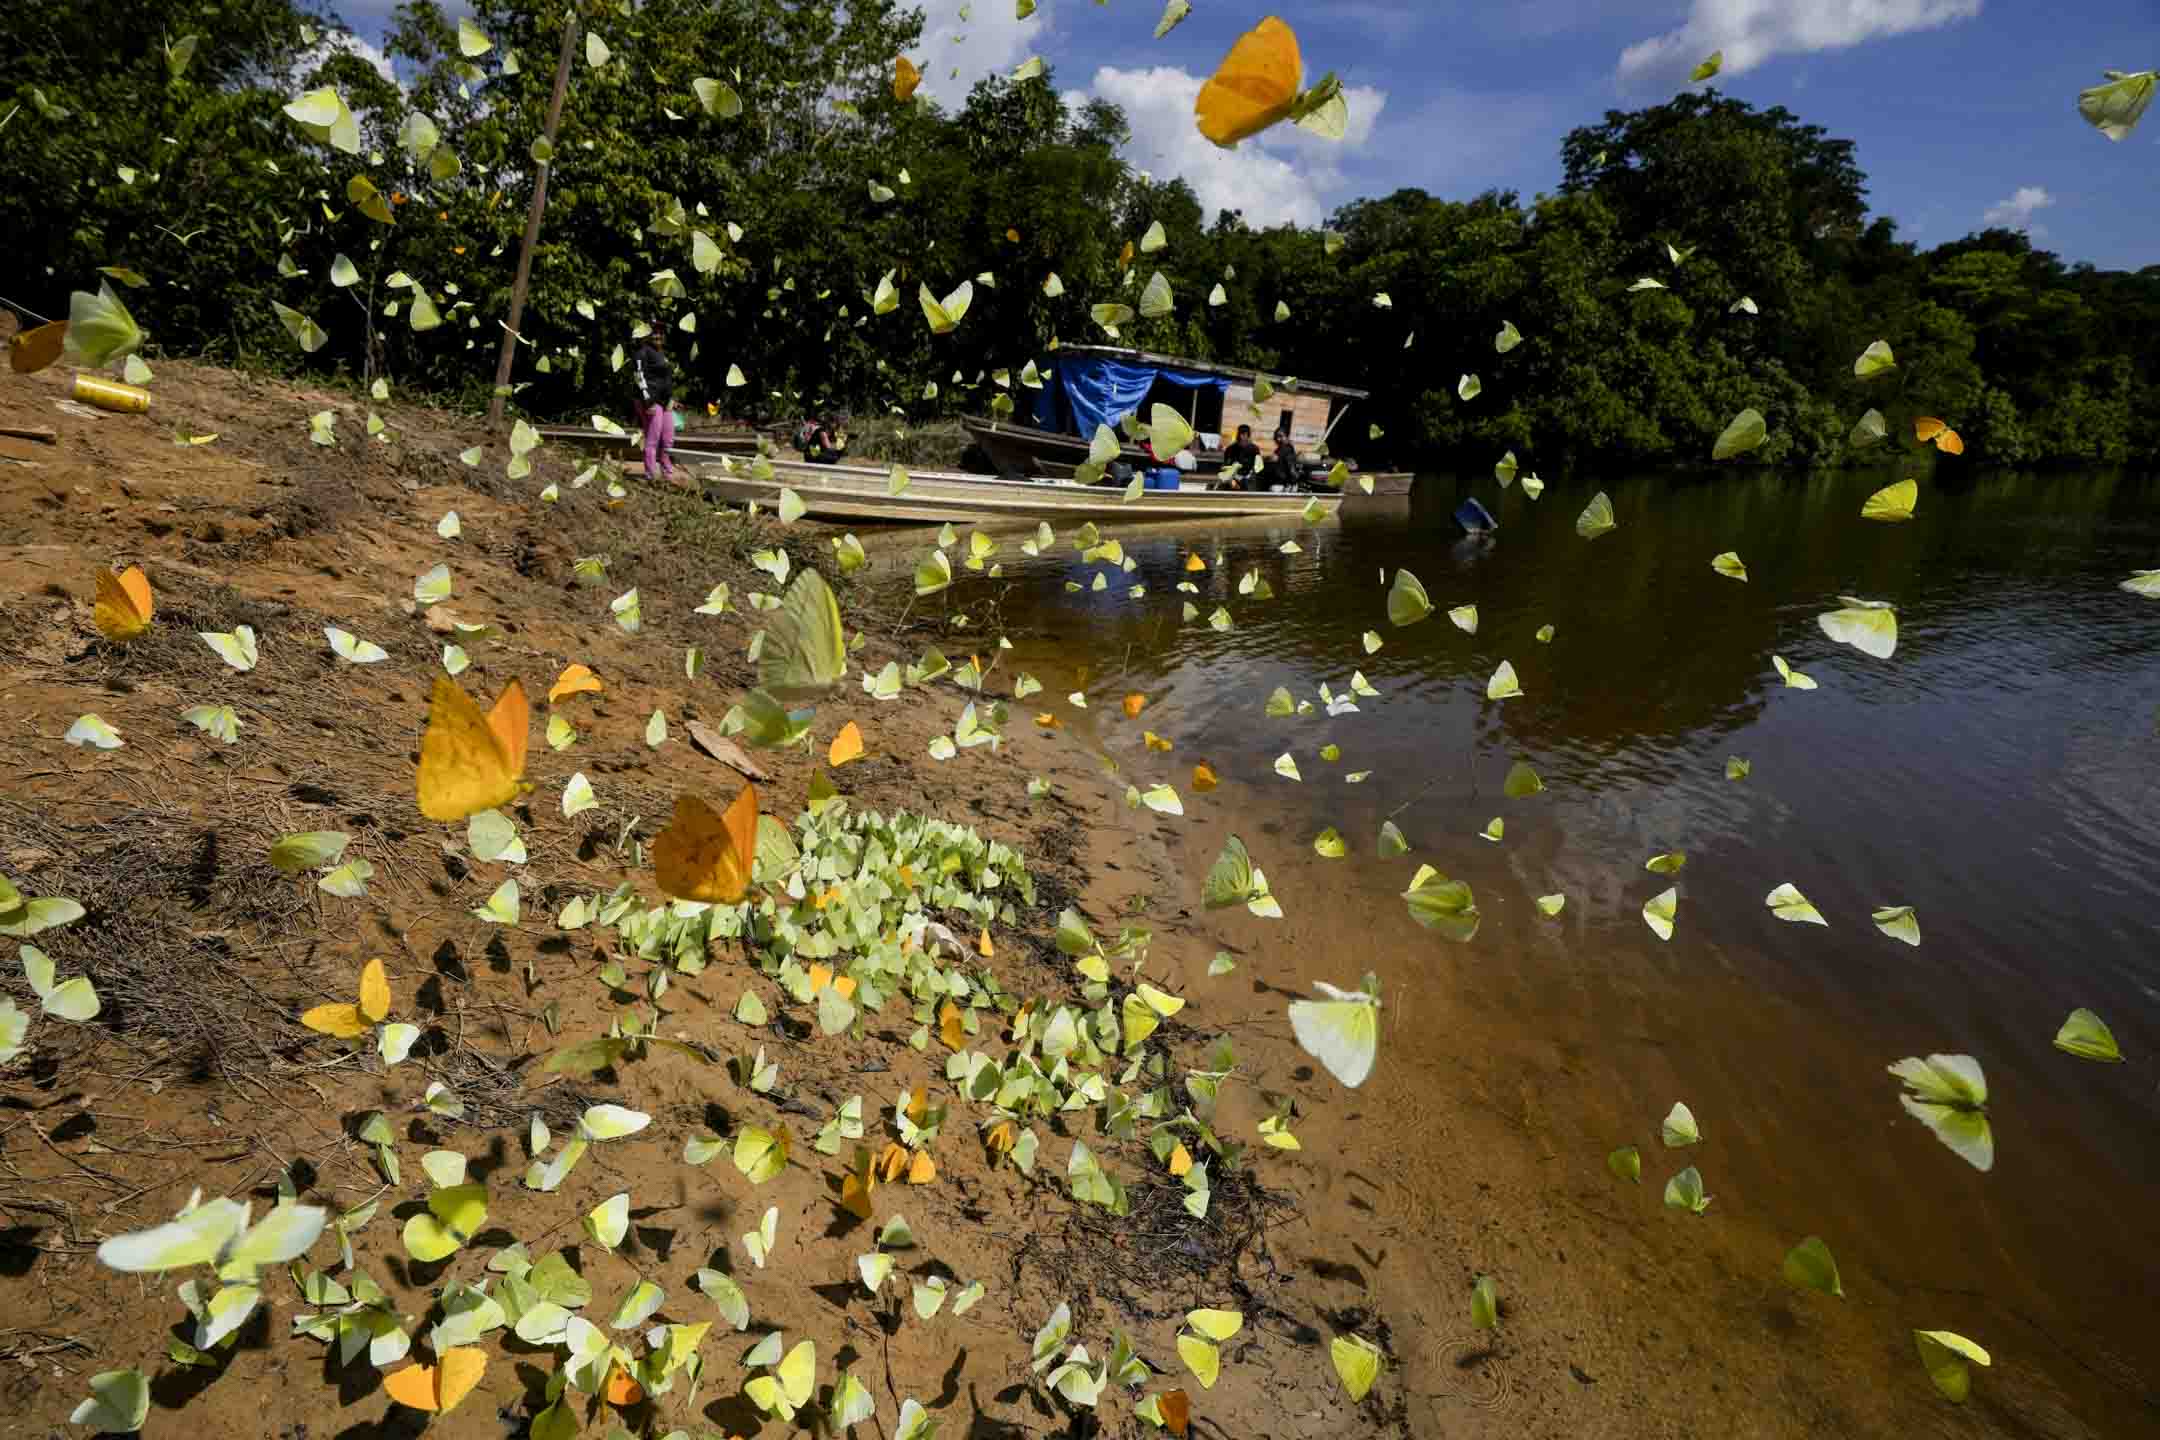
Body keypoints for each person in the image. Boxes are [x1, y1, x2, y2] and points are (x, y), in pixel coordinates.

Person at [632, 324, 676, 482]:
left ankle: (666, 466)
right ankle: (651, 473)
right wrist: (648, 402)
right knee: (653, 438)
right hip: (651, 401)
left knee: (668, 437)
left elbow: (667, 379)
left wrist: (671, 398)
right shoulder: (642, 352)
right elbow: (638, 377)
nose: (658, 336)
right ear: (647, 336)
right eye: (654, 334)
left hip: (666, 402)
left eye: (660, 334)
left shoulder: (662, 354)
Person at [1220, 423, 1262, 490]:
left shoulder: (1254, 449)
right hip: (1233, 479)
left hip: (1249, 479)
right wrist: (1232, 478)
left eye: (1245, 434)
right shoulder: (1230, 449)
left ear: (1248, 436)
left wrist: (1249, 476)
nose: (1242, 437)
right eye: (1241, 434)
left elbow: (1258, 467)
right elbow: (1225, 466)